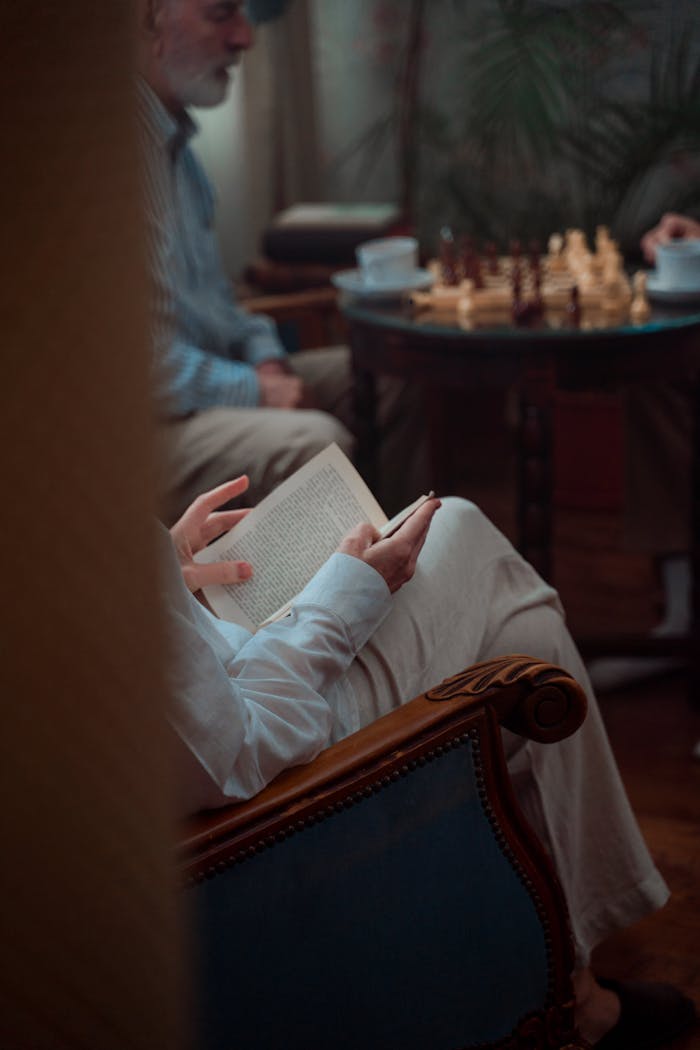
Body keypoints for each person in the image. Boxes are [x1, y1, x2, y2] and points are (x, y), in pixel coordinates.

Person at [162, 475, 696, 1049]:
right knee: (467, 533)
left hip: (230, 678)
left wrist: (160, 574)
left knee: (525, 635)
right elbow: (231, 757)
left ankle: (570, 988)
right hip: (271, 767)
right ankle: (574, 991)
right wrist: (341, 603)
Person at [137, 0, 425, 524]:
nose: (246, 38)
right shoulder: (107, 155)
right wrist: (257, 389)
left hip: (210, 388)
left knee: (399, 371)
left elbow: (219, 306)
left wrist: (266, 359)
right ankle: (340, 596)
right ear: (148, 20)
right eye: (222, 14)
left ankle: (397, 548)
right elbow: (132, 365)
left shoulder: (180, 151)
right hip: (145, 428)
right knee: (314, 444)